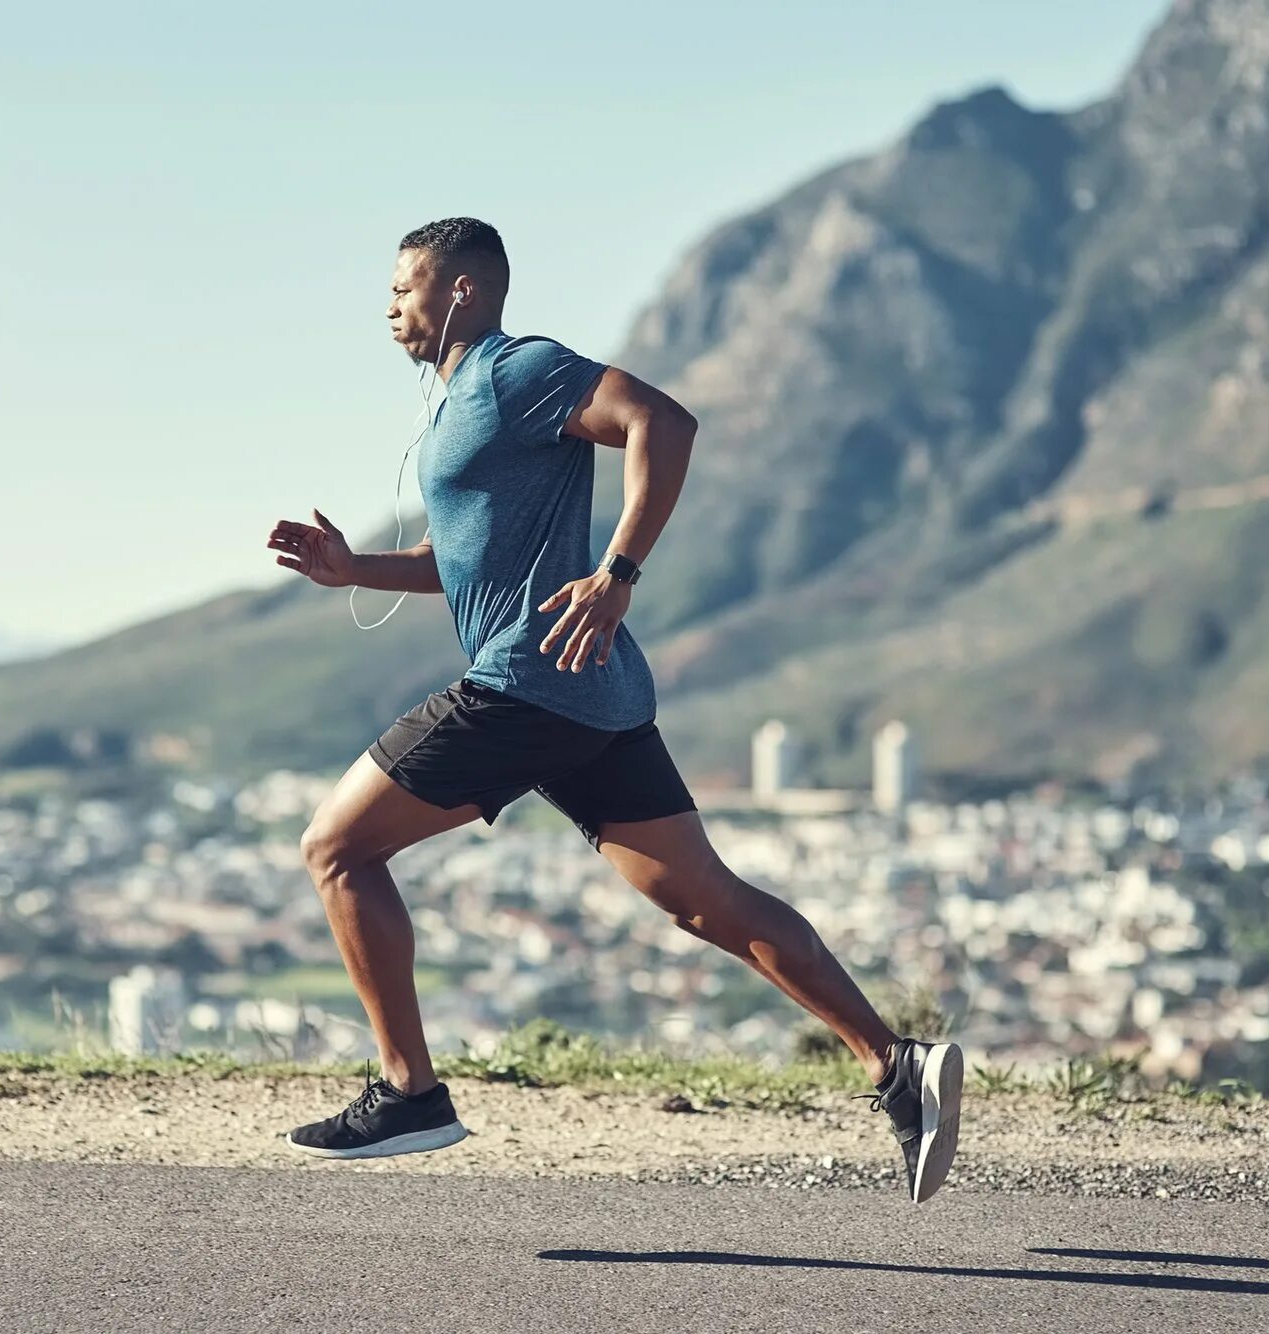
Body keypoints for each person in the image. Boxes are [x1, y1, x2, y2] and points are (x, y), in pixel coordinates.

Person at [263, 217, 963, 1204]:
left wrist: (617, 570)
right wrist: (352, 568)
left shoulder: (519, 371)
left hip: (526, 682)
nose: (389, 308)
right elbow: (454, 563)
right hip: (588, 694)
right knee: (700, 897)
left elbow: (662, 421)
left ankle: (407, 1090)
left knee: (335, 848)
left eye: (403, 287)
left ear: (460, 289)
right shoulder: (464, 404)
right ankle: (895, 1064)